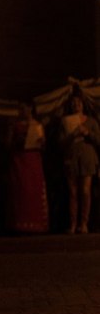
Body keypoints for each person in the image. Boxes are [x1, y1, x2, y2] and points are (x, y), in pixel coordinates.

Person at [6, 102, 49, 234]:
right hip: (20, 161)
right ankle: (20, 224)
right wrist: (18, 140)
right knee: (22, 190)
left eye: (25, 108)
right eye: (21, 108)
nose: (22, 110)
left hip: (34, 161)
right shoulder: (15, 125)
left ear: (30, 109)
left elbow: (44, 146)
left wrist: (41, 142)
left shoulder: (38, 125)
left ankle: (37, 224)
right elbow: (7, 144)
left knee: (34, 190)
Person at [61, 92, 100, 234]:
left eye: (78, 102)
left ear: (83, 105)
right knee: (73, 192)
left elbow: (99, 140)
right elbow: (60, 142)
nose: (76, 105)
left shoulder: (91, 121)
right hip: (71, 159)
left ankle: (84, 223)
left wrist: (87, 133)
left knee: (85, 191)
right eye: (73, 103)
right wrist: (72, 134)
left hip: (87, 158)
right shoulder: (65, 121)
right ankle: (73, 224)